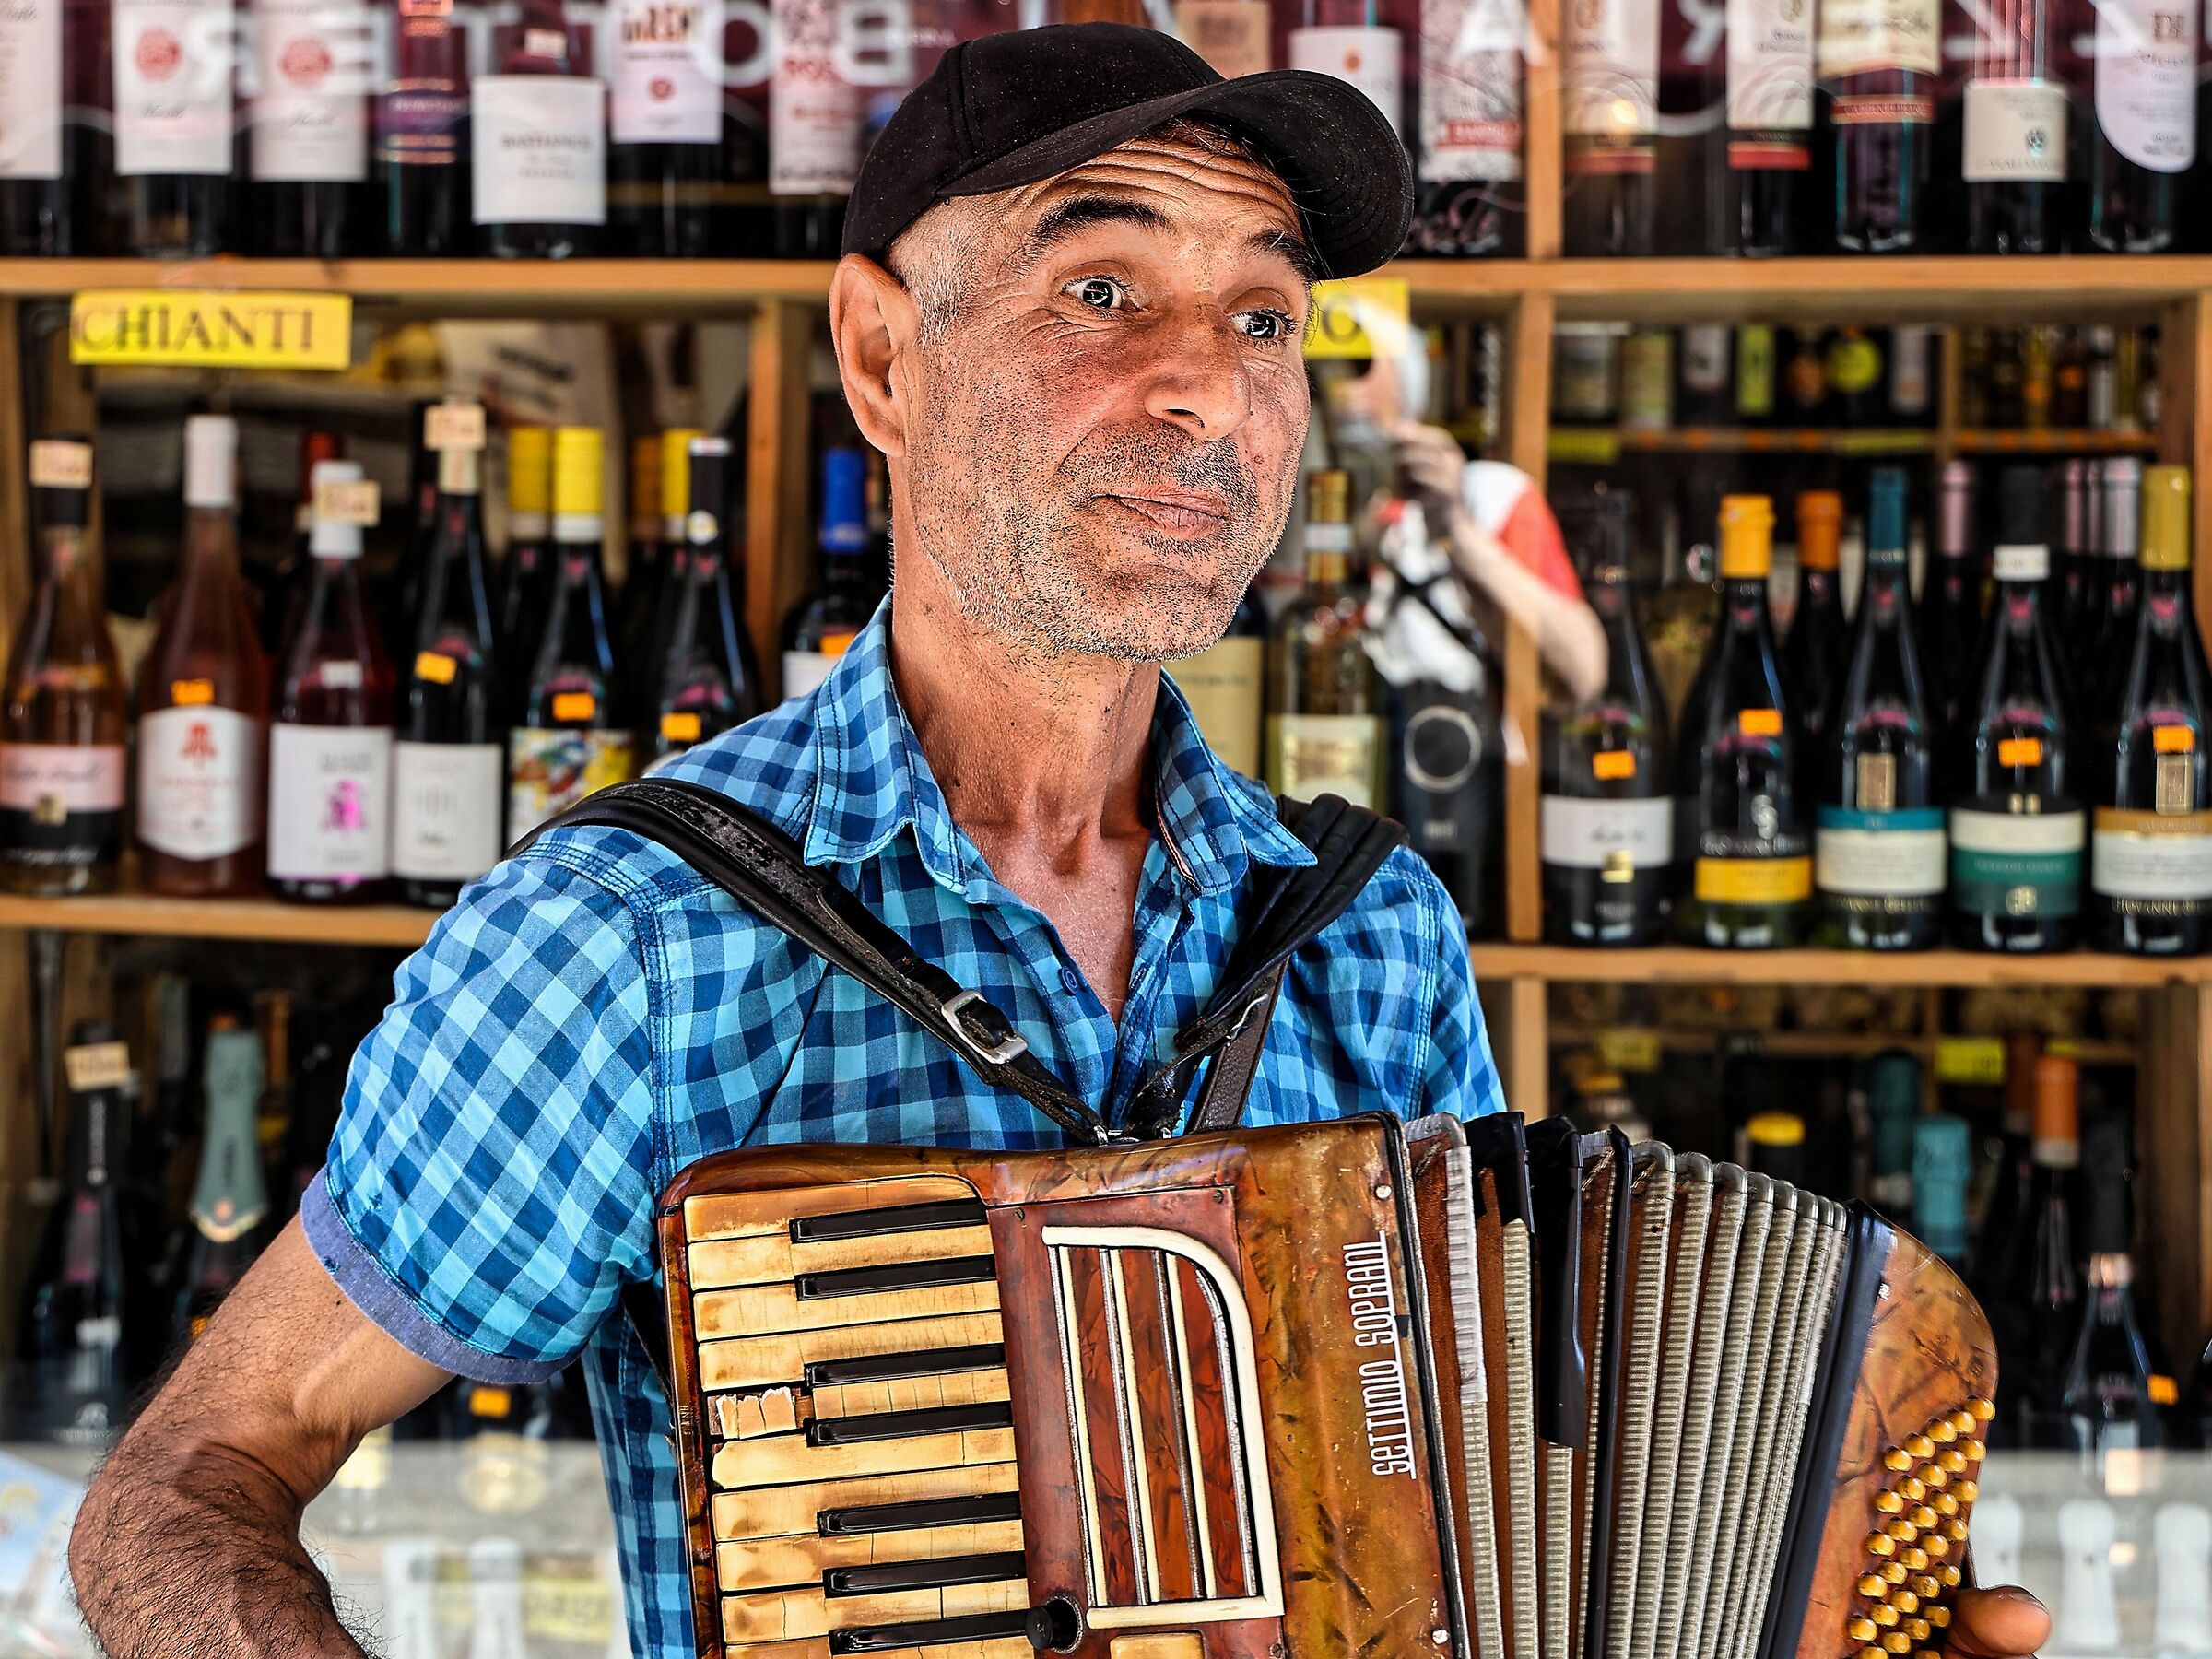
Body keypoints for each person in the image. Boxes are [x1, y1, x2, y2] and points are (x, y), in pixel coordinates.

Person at [66, 24, 2048, 1659]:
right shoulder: (635, 939)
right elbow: (184, 1487)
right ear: (881, 354)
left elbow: (1507, 1549)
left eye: (1266, 319)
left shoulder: (1370, 938)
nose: (1203, 386)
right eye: (1102, 289)